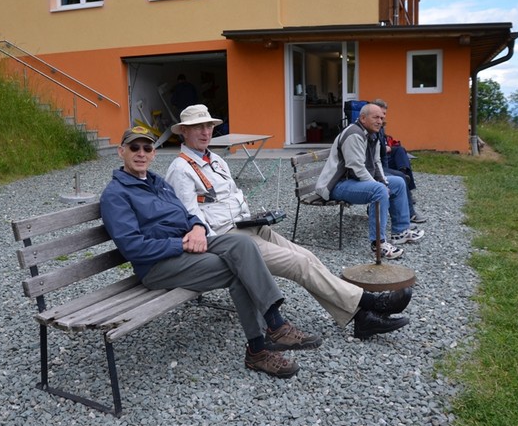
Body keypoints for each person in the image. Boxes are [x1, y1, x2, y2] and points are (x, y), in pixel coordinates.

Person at [165, 104, 412, 340]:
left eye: (208, 126)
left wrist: (253, 217)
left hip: (246, 226)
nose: (205, 132)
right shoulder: (181, 169)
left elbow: (231, 197)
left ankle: (360, 317)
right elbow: (190, 217)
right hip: (228, 239)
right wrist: (219, 245)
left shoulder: (216, 160)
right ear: (183, 131)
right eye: (198, 127)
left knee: (308, 256)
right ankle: (369, 302)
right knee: (299, 264)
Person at [100, 126, 322, 379]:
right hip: (157, 265)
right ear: (121, 152)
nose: (141, 153)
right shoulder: (116, 194)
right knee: (236, 270)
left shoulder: (157, 182)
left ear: (153, 153)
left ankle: (275, 326)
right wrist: (181, 244)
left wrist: (197, 227)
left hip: (187, 245)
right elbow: (133, 247)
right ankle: (259, 348)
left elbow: (186, 213)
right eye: (134, 147)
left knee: (243, 245)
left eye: (147, 148)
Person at [316, 103, 425, 260]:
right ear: (363, 118)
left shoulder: (373, 134)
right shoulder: (354, 134)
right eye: (376, 117)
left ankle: (400, 232)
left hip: (353, 181)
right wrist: (379, 185)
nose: (380, 121)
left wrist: (384, 182)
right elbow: (356, 168)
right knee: (379, 191)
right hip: (336, 185)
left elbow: (376, 162)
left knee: (398, 182)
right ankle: (378, 244)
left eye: (381, 118)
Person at [371, 99, 427, 224]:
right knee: (399, 177)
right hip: (371, 167)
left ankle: (405, 177)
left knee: (400, 150)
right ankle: (410, 214)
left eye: (383, 115)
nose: (381, 119)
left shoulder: (380, 127)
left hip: (379, 161)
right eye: (378, 115)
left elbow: (380, 154)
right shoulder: (365, 130)